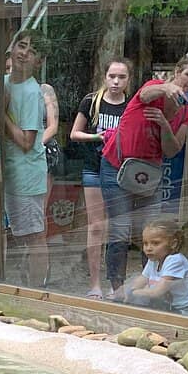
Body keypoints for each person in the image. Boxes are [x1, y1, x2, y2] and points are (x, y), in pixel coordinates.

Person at [99, 52, 188, 297]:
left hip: (149, 174)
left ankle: (150, 290)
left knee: (153, 232)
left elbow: (172, 149)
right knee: (120, 231)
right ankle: (117, 291)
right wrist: (167, 87)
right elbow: (145, 95)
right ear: (177, 72)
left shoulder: (186, 111)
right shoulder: (155, 87)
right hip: (117, 166)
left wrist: (164, 124)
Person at [69, 58, 132, 299]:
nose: (116, 82)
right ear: (104, 77)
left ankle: (117, 284)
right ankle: (94, 283)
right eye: (112, 76)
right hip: (94, 168)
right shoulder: (91, 101)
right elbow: (75, 134)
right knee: (96, 226)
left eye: (121, 77)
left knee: (119, 228)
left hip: (120, 170)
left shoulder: (131, 104)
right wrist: (99, 137)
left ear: (128, 80)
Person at [2, 30, 49, 288]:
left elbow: (26, 142)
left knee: (34, 236)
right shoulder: (2, 82)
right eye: (21, 46)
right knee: (15, 235)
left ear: (38, 62)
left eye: (32, 51)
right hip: (6, 173)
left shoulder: (32, 92)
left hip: (26, 175)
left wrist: (0, 113)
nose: (23, 53)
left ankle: (37, 290)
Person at [122, 219, 188, 317]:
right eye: (145, 243)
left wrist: (135, 293)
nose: (148, 248)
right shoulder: (154, 260)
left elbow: (157, 292)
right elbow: (142, 279)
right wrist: (130, 291)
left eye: (155, 243)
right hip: (173, 307)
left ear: (173, 244)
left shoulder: (175, 260)